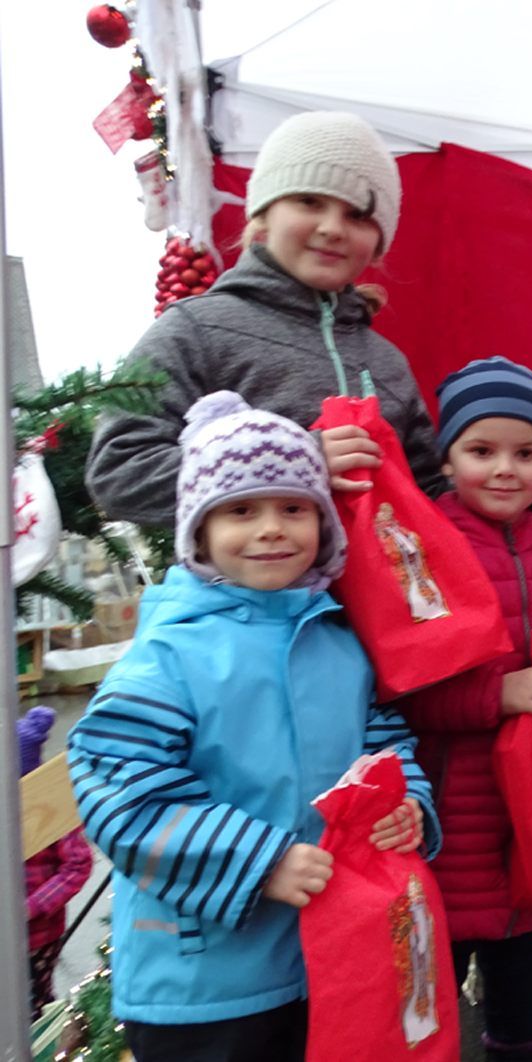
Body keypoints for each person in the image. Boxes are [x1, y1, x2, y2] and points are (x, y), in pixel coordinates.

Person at [68, 392, 439, 1062]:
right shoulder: (171, 654)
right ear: (198, 531)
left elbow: (380, 739)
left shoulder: (338, 637)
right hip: (205, 980)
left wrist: (405, 802)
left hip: (326, 954)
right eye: (241, 510)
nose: (271, 528)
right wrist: (257, 860)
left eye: (293, 508)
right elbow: (118, 788)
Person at [84, 110, 532, 543]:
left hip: (378, 635)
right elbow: (119, 473)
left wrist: (521, 497)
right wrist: (293, 462)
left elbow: (432, 493)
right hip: (248, 626)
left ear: (379, 241)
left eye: (358, 216)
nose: (332, 228)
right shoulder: (194, 329)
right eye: (309, 202)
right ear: (263, 214)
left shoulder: (385, 361)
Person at [397, 357, 532, 1062]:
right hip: (450, 807)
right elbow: (401, 681)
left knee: (519, 975)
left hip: (529, 810)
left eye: (525, 453)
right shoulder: (423, 548)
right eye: (481, 450)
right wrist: (499, 694)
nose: (504, 470)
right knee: (430, 986)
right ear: (447, 456)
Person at [17, 705, 94, 1021]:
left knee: (31, 1005)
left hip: (39, 937)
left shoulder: (51, 814)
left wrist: (32, 907)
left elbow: (78, 865)